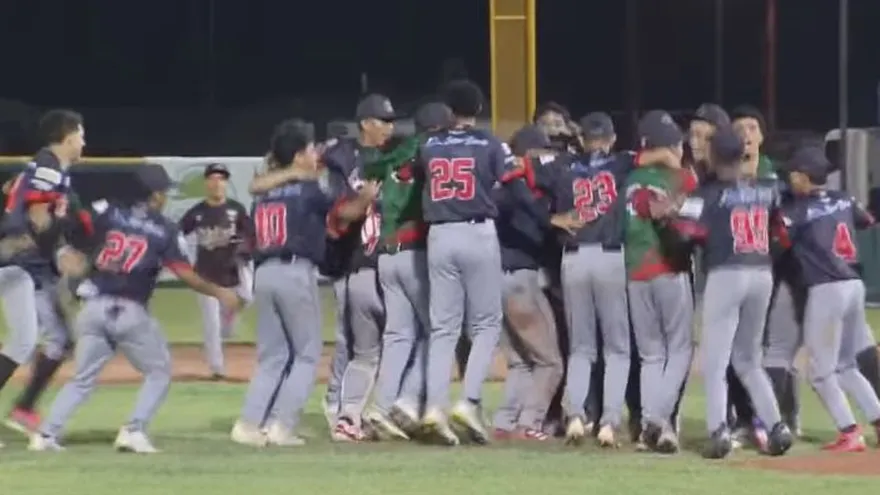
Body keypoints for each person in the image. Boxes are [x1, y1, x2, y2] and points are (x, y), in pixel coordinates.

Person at [29, 164, 243, 453]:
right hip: (129, 310)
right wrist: (219, 292)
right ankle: (134, 429)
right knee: (159, 372)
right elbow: (184, 273)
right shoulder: (164, 228)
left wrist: (64, 252)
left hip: (93, 308)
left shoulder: (108, 211)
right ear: (155, 196)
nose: (165, 197)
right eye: (163, 192)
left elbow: (71, 225)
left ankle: (45, 435)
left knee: (82, 379)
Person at [419, 80, 550, 445]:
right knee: (486, 325)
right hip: (477, 233)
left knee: (443, 328)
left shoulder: (428, 145)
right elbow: (515, 187)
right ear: (478, 110)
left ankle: (433, 407)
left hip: (439, 235)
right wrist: (545, 219)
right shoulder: (490, 144)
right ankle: (469, 401)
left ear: (448, 109)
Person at [652, 126, 792, 460]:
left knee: (715, 361)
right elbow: (783, 236)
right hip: (761, 272)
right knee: (748, 359)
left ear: (715, 156)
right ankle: (776, 427)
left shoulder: (706, 194)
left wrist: (671, 214)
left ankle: (718, 432)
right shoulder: (767, 189)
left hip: (726, 273)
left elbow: (682, 237)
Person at [232, 119, 373, 447]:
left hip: (263, 272)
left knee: (273, 356)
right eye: (310, 148)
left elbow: (257, 185)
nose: (315, 152)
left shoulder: (265, 192)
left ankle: (250, 424)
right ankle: (283, 426)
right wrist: (367, 198)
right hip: (294, 270)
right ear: (298, 155)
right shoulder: (309, 189)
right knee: (307, 355)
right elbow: (346, 214)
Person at [776, 146, 880, 452]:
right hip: (853, 284)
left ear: (804, 176)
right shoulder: (844, 198)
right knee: (847, 365)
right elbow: (868, 221)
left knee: (821, 371)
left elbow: (779, 239)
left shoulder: (795, 211)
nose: (790, 178)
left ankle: (849, 431)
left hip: (826, 289)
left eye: (794, 173)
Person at [0, 110, 86, 446]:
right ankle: (23, 408)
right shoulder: (49, 166)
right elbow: (37, 216)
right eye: (81, 134)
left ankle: (23, 408)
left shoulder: (48, 168)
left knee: (25, 340)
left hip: (19, 264)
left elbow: (16, 195)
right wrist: (60, 253)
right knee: (60, 337)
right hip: (17, 261)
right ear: (67, 137)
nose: (84, 141)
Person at [490, 124, 580, 441]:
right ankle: (530, 423)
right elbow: (526, 203)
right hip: (519, 278)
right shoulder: (515, 183)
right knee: (551, 362)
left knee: (521, 362)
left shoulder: (498, 182)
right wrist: (553, 219)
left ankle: (504, 422)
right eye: (543, 152)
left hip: (494, 280)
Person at [624, 110, 696, 453]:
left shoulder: (628, 176)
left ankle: (651, 431)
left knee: (651, 355)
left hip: (635, 274)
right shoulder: (684, 178)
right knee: (680, 350)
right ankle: (658, 421)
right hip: (669, 269)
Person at [178, 163, 254, 380]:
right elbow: (178, 234)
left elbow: (250, 234)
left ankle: (229, 317)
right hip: (205, 275)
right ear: (206, 183)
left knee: (247, 298)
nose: (217, 182)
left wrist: (244, 247)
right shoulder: (197, 212)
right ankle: (217, 369)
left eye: (221, 178)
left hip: (231, 271)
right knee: (211, 324)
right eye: (213, 178)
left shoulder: (236, 209)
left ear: (226, 183)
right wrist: (184, 256)